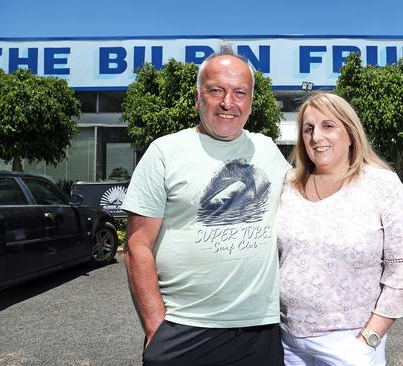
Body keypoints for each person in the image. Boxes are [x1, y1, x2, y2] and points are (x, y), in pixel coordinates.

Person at [122, 48, 290, 366]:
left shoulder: (268, 150)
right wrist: (156, 328)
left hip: (260, 331)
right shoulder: (164, 152)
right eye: (216, 90)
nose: (228, 102)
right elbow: (136, 246)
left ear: (251, 101)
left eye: (240, 92)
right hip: (184, 329)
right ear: (198, 96)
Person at [277, 92, 403, 366]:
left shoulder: (381, 184)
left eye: (328, 126)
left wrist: (368, 341)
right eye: (308, 128)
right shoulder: (290, 184)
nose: (316, 137)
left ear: (350, 133)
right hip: (288, 342)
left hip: (350, 344)